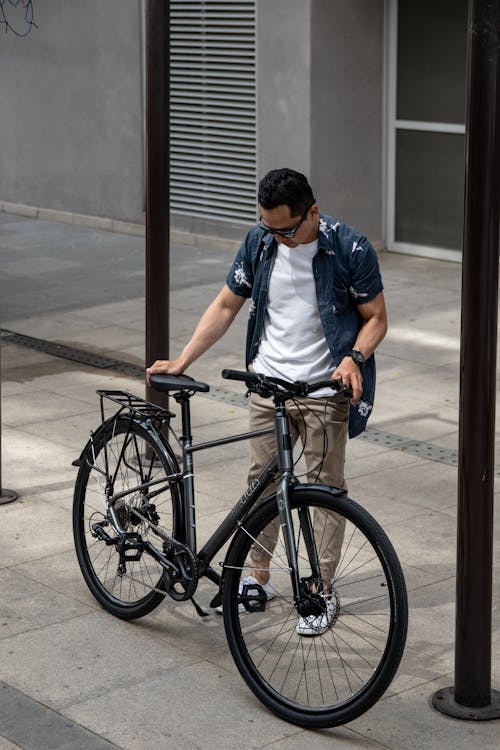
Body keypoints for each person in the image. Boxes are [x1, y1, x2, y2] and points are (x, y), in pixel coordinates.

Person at [147, 168, 387, 635]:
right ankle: (256, 577)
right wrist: (182, 358)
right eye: (267, 226)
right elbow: (224, 305)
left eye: (286, 229)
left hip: (322, 391)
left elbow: (376, 317)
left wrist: (354, 358)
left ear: (312, 212)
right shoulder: (260, 243)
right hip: (267, 386)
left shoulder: (350, 248)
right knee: (261, 485)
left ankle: (319, 589)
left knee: (325, 494)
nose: (276, 236)